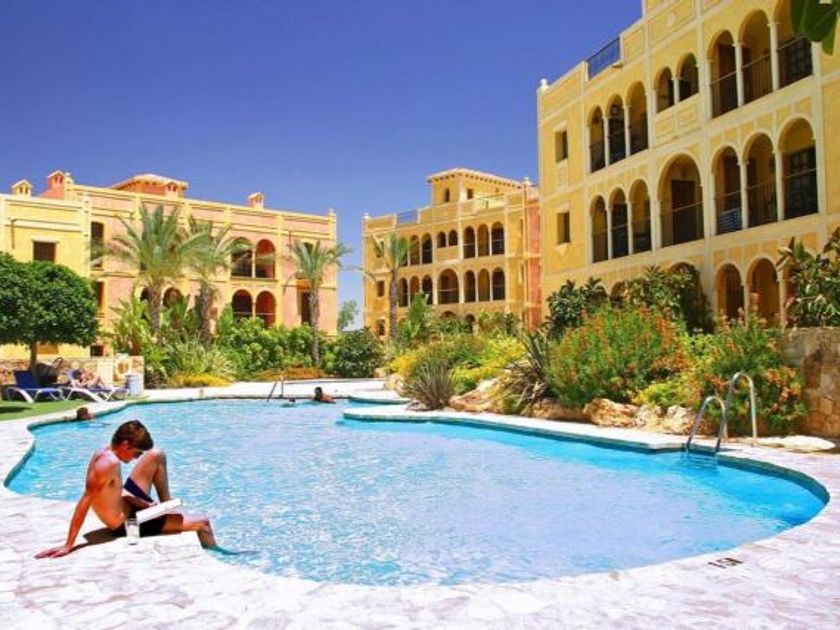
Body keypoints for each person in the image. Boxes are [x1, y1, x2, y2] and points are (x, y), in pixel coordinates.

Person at [36, 420, 215, 558]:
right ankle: (216, 552)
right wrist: (68, 545)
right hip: (128, 524)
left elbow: (116, 491)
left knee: (156, 454)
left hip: (130, 507)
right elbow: (85, 500)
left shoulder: (105, 452)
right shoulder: (108, 464)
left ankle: (166, 508)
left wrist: (141, 503)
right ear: (125, 444)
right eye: (137, 453)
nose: (137, 458)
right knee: (203, 523)